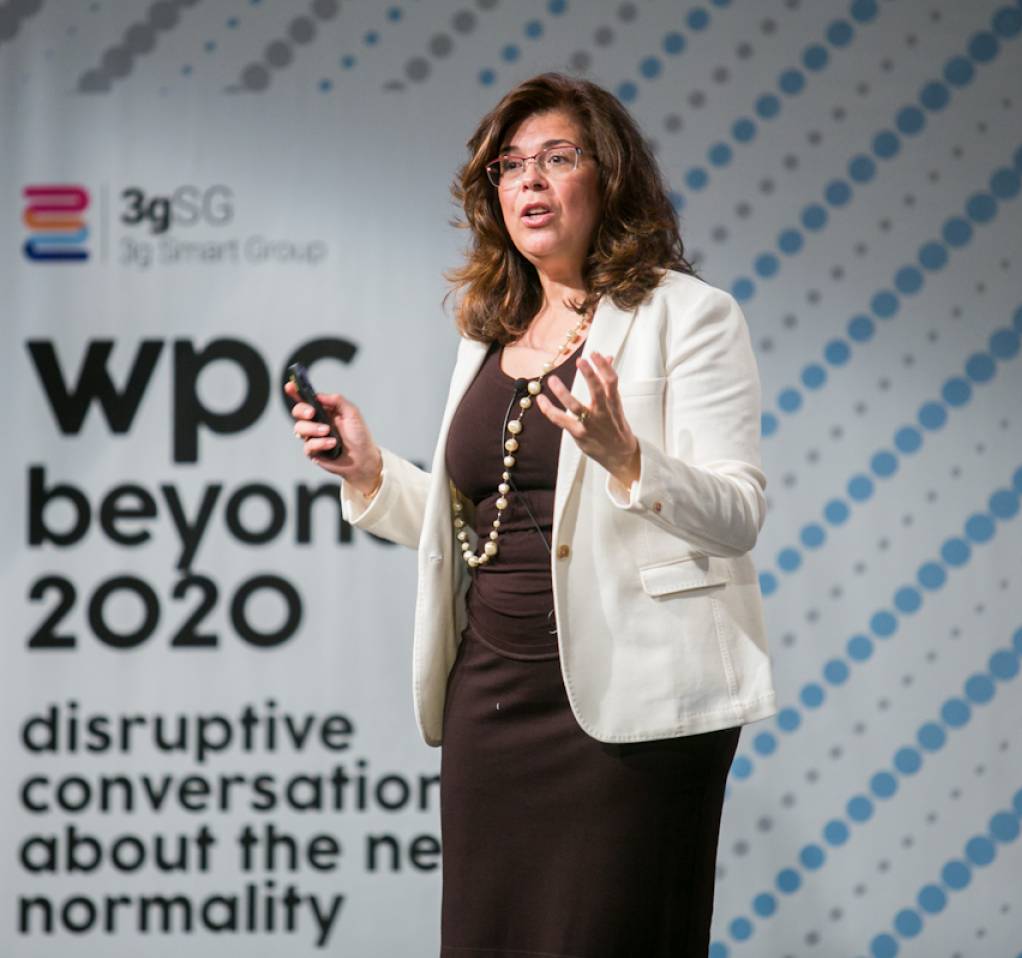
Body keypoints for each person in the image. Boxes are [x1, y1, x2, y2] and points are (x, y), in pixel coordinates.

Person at [286, 72, 776, 958]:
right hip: (492, 697)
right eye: (510, 166)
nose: (530, 182)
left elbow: (737, 513)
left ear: (610, 176)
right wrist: (370, 473)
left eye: (557, 158)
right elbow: (482, 527)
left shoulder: (688, 316)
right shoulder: (491, 331)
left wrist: (630, 460)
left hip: (632, 705)